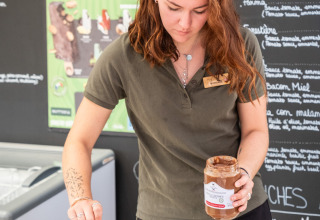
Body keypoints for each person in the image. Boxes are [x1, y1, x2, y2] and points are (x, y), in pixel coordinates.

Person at [62, 0, 272, 219]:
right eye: (174, 8)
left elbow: (255, 131)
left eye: (200, 10)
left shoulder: (241, 45)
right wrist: (80, 198)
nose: (185, 22)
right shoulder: (122, 56)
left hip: (239, 210)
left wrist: (244, 174)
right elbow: (79, 140)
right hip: (161, 213)